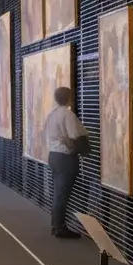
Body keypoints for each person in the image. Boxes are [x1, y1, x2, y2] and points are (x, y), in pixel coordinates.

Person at [43, 86, 88, 239]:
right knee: (62, 194)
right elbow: (75, 135)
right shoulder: (68, 115)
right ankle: (60, 227)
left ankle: (56, 225)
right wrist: (84, 150)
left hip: (53, 156)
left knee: (58, 192)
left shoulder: (51, 115)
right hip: (65, 158)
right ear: (69, 98)